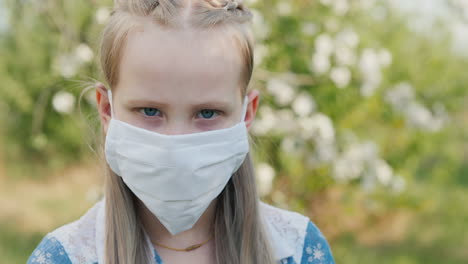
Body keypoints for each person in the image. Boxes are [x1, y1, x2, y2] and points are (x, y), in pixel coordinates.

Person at [27, 0, 335, 263]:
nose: (176, 145)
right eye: (150, 111)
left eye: (207, 113)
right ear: (107, 110)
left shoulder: (298, 250)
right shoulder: (65, 256)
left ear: (246, 114)